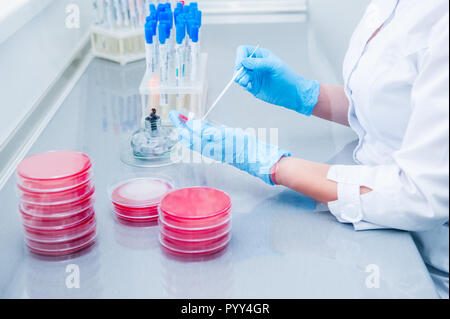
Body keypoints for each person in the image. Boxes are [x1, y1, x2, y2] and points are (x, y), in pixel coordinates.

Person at [170, 0, 449, 298]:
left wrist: (274, 165)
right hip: (383, 228)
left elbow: (418, 195)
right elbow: (396, 109)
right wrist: (305, 95)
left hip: (425, 262)